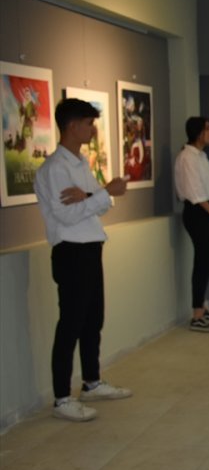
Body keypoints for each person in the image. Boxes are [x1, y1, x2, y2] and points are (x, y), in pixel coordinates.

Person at [35, 98, 131, 421]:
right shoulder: (54, 168)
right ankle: (62, 397)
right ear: (72, 126)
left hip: (91, 248)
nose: (93, 129)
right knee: (71, 324)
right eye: (89, 124)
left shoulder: (81, 163)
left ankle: (91, 381)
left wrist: (93, 194)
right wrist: (103, 193)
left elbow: (104, 205)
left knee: (94, 320)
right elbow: (66, 214)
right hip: (71, 252)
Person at [175, 116, 209, 332]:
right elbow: (194, 191)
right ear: (198, 132)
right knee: (203, 263)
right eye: (208, 129)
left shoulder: (201, 156)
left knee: (207, 263)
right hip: (197, 212)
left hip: (207, 210)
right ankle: (197, 315)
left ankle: (202, 307)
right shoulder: (187, 157)